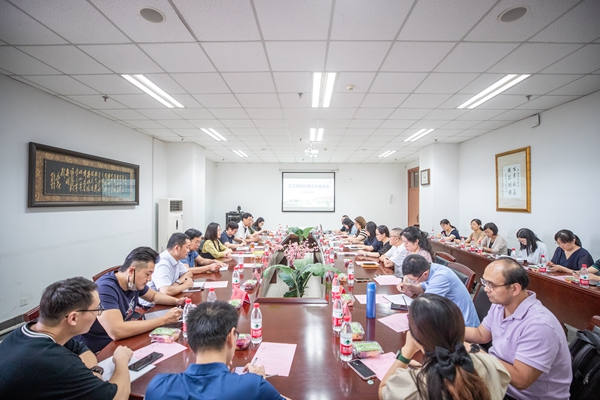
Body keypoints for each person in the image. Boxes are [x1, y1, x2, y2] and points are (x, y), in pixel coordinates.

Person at [0, 277, 133, 400]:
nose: (99, 313)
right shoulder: (59, 363)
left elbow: (81, 348)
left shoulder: (29, 330)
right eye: (97, 309)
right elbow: (118, 397)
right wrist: (121, 361)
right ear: (73, 318)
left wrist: (94, 370)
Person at [465, 258, 572, 400]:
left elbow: (521, 380)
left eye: (491, 285)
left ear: (515, 288)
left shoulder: (539, 325)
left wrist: (474, 351)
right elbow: (481, 334)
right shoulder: (499, 305)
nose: (486, 289)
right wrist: (447, 329)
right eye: (485, 282)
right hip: (498, 382)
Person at [145, 301, 288, 400]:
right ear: (231, 337)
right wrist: (260, 381)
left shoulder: (158, 387)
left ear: (191, 342)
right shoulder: (253, 386)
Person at [379, 294, 510, 400]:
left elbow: (383, 390)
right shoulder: (491, 365)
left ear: (416, 338)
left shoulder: (414, 385)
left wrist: (406, 352)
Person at [82, 247, 184, 352]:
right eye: (147, 274)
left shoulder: (133, 282)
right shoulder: (105, 289)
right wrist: (164, 320)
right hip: (100, 348)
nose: (149, 279)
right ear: (131, 271)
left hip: (123, 340)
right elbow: (117, 331)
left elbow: (154, 296)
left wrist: (177, 301)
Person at [398, 254, 480, 328]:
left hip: (463, 326)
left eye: (413, 280)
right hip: (448, 316)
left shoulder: (441, 277)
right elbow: (422, 289)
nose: (414, 282)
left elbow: (426, 305)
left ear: (425, 274)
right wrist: (409, 286)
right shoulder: (430, 268)